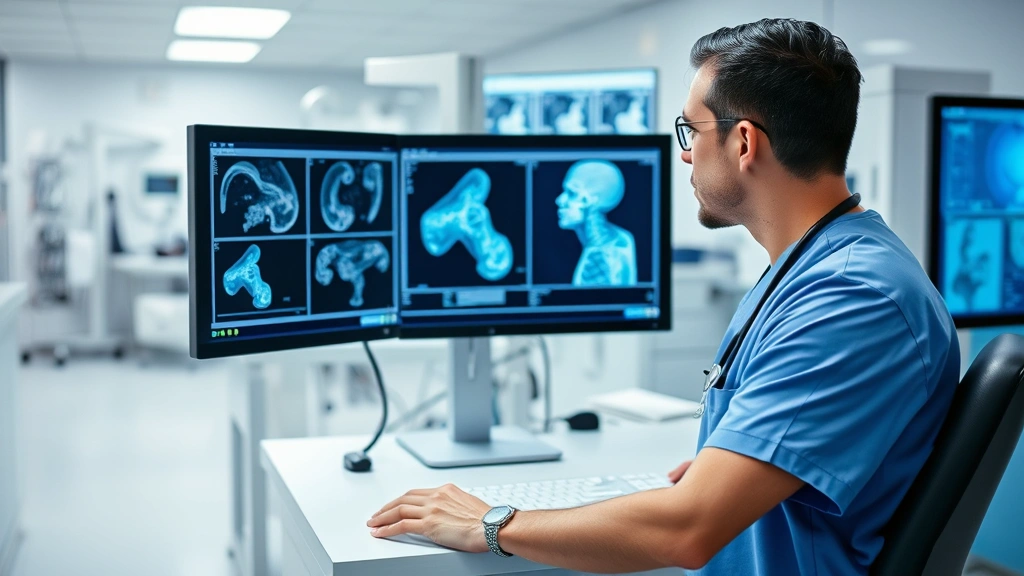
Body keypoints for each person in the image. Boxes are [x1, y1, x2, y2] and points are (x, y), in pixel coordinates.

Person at [366, 18, 961, 575]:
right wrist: (728, 464)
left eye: (691, 130)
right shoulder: (810, 268)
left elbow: (689, 530)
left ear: (744, 143)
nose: (683, 152)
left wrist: (492, 523)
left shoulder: (852, 298)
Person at [556, 159, 638, 286]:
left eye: (572, 193)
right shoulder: (621, 238)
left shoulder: (598, 256)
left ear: (591, 201)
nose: (559, 200)